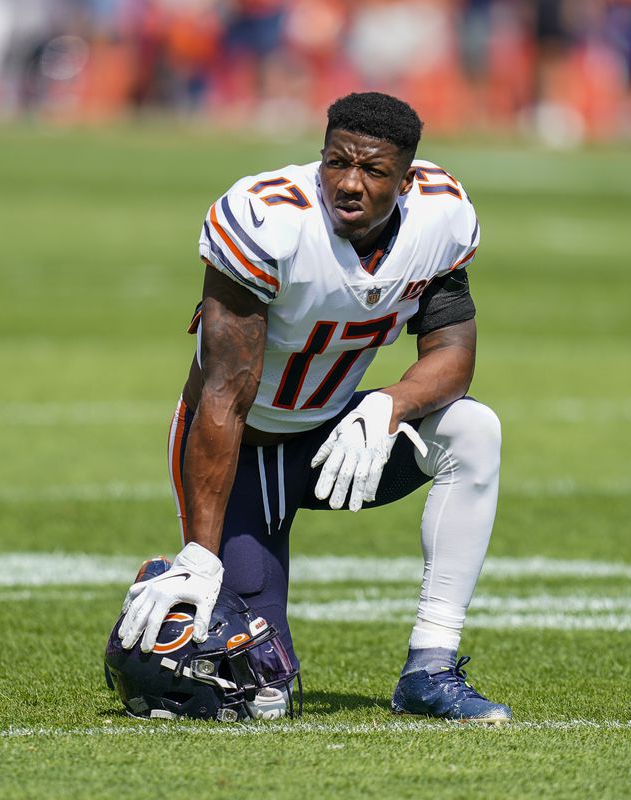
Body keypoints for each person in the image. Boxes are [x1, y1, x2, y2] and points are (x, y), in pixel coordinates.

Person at [118, 91, 509, 723]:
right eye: (337, 163)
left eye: (373, 171)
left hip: (332, 431)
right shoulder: (267, 220)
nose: (349, 184)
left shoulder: (441, 216)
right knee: (263, 693)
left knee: (473, 429)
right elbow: (222, 392)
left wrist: (390, 404)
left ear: (406, 180)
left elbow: (453, 358)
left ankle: (431, 667)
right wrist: (200, 553)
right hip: (244, 446)